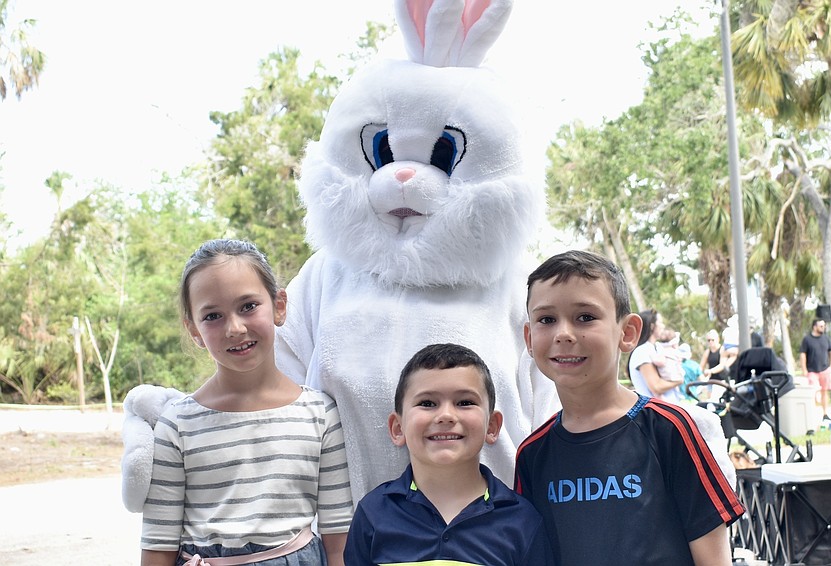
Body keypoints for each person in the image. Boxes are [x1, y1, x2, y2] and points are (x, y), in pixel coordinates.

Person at [516, 250, 744, 565]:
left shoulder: (670, 429)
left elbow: (713, 558)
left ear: (628, 333)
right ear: (529, 338)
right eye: (546, 319)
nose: (564, 334)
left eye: (585, 317)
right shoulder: (531, 455)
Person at [140, 239, 353, 566]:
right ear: (194, 330)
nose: (235, 328)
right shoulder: (176, 424)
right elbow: (157, 547)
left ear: (279, 305)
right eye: (213, 315)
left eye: (248, 306)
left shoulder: (321, 415)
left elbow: (339, 542)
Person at [344, 343, 555, 566]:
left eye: (465, 402)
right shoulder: (373, 512)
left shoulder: (521, 520)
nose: (446, 415)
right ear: (398, 428)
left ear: (492, 426)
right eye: (427, 403)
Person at [627, 309, 684, 402]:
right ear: (652, 326)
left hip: (671, 406)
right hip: (656, 412)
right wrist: (679, 381)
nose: (663, 326)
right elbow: (656, 387)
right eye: (660, 322)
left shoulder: (657, 347)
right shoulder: (642, 351)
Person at [800, 318, 831, 422]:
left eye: (824, 326)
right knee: (814, 393)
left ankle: (825, 414)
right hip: (812, 371)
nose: (823, 328)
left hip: (825, 370)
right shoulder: (807, 339)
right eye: (821, 326)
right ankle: (815, 415)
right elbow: (803, 355)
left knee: (824, 392)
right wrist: (804, 370)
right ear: (814, 327)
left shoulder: (826, 338)